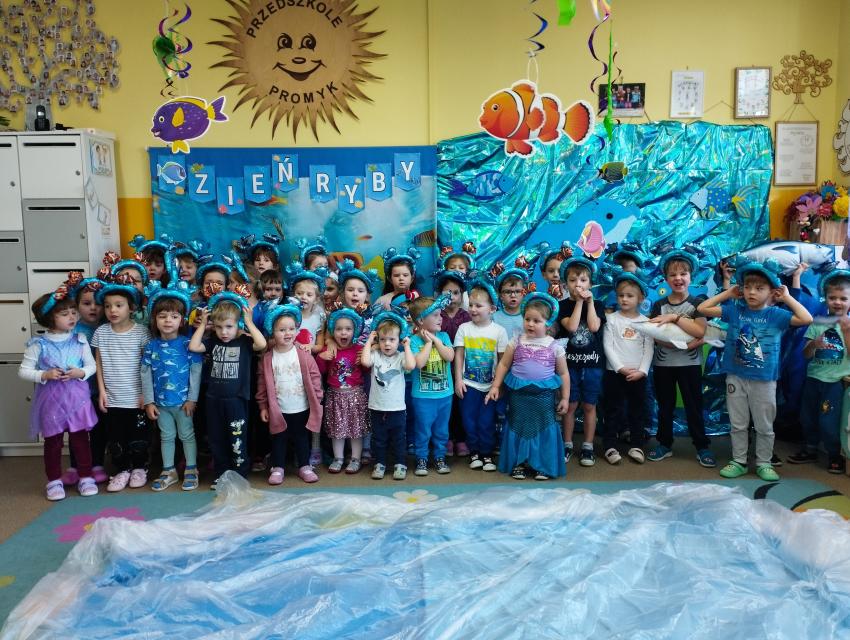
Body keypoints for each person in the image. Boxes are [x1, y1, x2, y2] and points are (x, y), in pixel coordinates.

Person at [699, 261, 811, 480]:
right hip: (736, 376)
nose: (752, 292)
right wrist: (728, 293)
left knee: (764, 425)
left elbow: (806, 318)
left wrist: (787, 297)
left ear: (771, 291)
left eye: (759, 288)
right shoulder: (735, 311)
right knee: (738, 423)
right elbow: (703, 309)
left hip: (764, 379)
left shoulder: (776, 315)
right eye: (748, 287)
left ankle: (764, 463)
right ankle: (739, 461)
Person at [21, 287, 99, 501]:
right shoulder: (38, 344)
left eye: (73, 312)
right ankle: (54, 481)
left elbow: (91, 365)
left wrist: (80, 372)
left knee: (81, 440)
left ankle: (86, 476)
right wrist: (44, 374)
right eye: (65, 314)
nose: (72, 317)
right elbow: (24, 371)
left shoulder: (80, 339)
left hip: (77, 400)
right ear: (49, 318)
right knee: (53, 442)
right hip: (51, 402)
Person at [486, 292, 569, 480]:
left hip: (543, 398)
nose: (530, 324)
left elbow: (564, 373)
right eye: (527, 319)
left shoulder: (555, 346)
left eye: (537, 321)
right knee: (518, 426)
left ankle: (542, 465)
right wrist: (496, 386)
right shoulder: (516, 341)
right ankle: (519, 463)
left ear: (548, 324)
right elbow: (504, 364)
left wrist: (564, 397)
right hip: (519, 396)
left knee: (544, 427)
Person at [189, 292, 267, 488]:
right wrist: (203, 325)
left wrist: (248, 322)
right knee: (217, 439)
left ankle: (240, 473)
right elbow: (194, 346)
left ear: (237, 324)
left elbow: (262, 344)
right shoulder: (212, 342)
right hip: (214, 399)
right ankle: (221, 473)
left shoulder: (244, 342)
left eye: (229, 327)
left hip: (237, 400)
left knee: (237, 437)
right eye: (219, 327)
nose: (224, 332)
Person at [646, 250, 716, 468]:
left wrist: (677, 321)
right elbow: (655, 334)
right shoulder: (659, 305)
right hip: (664, 364)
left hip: (690, 365)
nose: (678, 278)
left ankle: (702, 446)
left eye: (683, 274)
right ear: (666, 279)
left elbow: (700, 332)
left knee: (693, 405)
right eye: (673, 274)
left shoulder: (698, 304)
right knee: (665, 405)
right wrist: (677, 343)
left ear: (691, 277)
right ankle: (664, 444)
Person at [91, 279, 152, 492]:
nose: (112, 310)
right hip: (113, 397)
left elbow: (147, 365)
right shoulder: (101, 333)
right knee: (116, 437)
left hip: (137, 398)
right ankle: (122, 469)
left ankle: (140, 468)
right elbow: (98, 364)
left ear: (131, 307)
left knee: (139, 436)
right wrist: (101, 392)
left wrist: (146, 394)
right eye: (108, 306)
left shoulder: (141, 332)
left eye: (119, 305)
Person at [787, 270, 850, 473]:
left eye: (843, 298)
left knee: (829, 420)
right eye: (833, 298)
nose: (837, 302)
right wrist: (814, 344)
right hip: (813, 379)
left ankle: (834, 455)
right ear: (826, 299)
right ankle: (810, 449)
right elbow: (805, 354)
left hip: (835, 382)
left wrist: (846, 331)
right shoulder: (818, 322)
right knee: (807, 417)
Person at [142, 284, 203, 491]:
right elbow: (145, 374)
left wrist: (192, 399)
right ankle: (169, 470)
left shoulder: (188, 345)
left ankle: (191, 469)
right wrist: (149, 401)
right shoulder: (151, 346)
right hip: (161, 404)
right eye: (162, 316)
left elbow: (196, 372)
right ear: (154, 320)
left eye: (174, 316)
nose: (168, 320)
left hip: (183, 403)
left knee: (187, 435)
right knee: (166, 436)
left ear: (182, 320)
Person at [256, 303, 324, 484]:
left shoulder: (303, 354)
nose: (288, 333)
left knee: (302, 437)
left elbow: (315, 376)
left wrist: (317, 397)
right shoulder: (268, 358)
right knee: (279, 438)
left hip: (301, 406)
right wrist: (263, 406)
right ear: (272, 332)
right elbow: (262, 384)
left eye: (291, 329)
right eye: (282, 330)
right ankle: (278, 467)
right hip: (279, 408)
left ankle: (304, 465)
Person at [454, 281, 508, 472]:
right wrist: (458, 380)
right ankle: (474, 452)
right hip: (468, 385)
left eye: (478, 305)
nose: (473, 309)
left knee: (486, 421)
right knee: (469, 420)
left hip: (489, 387)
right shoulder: (464, 328)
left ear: (492, 309)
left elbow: (502, 361)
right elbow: (459, 355)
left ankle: (486, 453)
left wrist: (498, 385)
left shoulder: (499, 331)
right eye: (471, 305)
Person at [557, 255, 606, 466]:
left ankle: (588, 446)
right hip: (569, 366)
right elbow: (572, 327)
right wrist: (578, 302)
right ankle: (567, 444)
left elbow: (593, 327)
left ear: (591, 284)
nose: (578, 284)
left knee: (589, 405)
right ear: (565, 284)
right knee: (570, 405)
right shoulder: (561, 306)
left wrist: (590, 302)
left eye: (583, 280)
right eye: (573, 280)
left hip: (593, 365)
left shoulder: (599, 305)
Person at [601, 272, 654, 464]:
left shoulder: (646, 322)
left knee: (637, 410)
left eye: (630, 296)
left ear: (640, 298)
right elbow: (608, 346)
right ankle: (609, 446)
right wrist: (620, 368)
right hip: (615, 373)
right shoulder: (611, 319)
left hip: (638, 374)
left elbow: (648, 348)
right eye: (621, 295)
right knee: (613, 410)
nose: (624, 299)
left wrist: (642, 371)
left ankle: (637, 445)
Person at [64, 276, 108, 486]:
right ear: (76, 305)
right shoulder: (71, 331)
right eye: (86, 303)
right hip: (75, 390)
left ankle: (97, 463)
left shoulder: (108, 328)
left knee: (99, 429)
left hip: (100, 390)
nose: (93, 308)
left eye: (98, 303)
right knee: (77, 429)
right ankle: (75, 466)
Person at [361, 312, 416, 480]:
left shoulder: (401, 357)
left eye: (392, 339)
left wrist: (407, 346)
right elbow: (365, 362)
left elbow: (411, 365)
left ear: (399, 340)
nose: (387, 343)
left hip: (397, 408)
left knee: (399, 438)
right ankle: (380, 463)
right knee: (379, 438)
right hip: (377, 407)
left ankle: (400, 463)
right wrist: (369, 342)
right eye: (383, 339)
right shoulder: (375, 355)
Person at [316, 308, 370, 474]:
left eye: (348, 329)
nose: (343, 332)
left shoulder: (359, 349)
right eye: (339, 329)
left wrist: (365, 360)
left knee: (356, 430)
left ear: (354, 331)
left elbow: (367, 370)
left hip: (355, 395)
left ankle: (355, 458)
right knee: (336, 430)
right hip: (335, 396)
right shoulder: (329, 349)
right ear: (333, 332)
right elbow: (320, 371)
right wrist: (321, 358)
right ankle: (338, 458)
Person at [408, 295, 456, 476]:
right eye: (435, 315)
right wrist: (428, 343)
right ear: (421, 320)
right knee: (423, 429)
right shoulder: (414, 341)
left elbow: (449, 357)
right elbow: (419, 363)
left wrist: (435, 340)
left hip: (444, 395)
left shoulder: (444, 336)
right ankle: (421, 457)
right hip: (423, 397)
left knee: (441, 429)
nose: (440, 318)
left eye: (440, 315)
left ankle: (439, 456)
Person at [436, 269, 471, 457]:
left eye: (456, 293)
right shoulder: (436, 315)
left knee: (461, 405)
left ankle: (462, 439)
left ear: (462, 294)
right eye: (447, 293)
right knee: (445, 407)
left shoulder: (466, 317)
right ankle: (447, 439)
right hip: (441, 368)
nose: (452, 297)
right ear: (439, 295)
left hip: (462, 369)